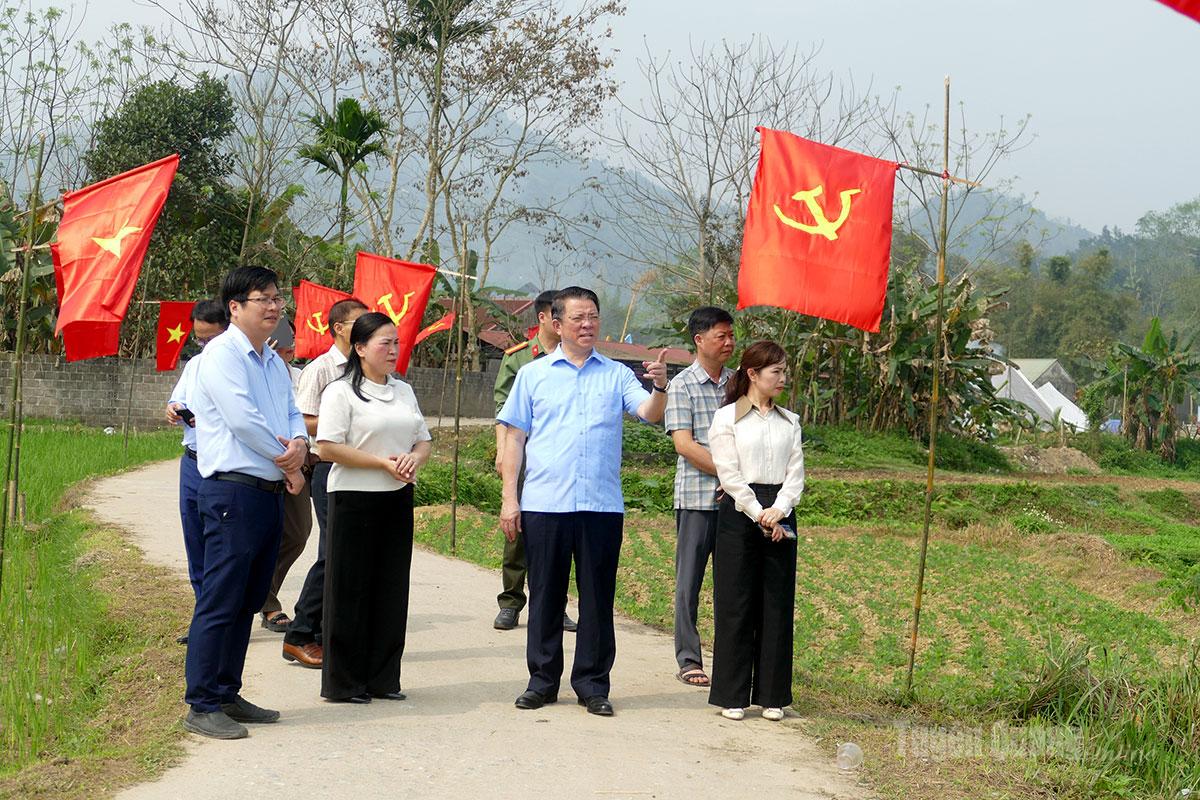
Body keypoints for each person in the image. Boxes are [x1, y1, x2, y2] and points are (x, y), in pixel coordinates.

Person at [497, 286, 668, 717]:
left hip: (600, 506)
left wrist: (661, 388)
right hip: (544, 503)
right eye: (578, 318)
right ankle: (541, 681)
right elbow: (514, 438)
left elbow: (648, 413)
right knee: (546, 596)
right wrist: (509, 498)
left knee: (596, 598)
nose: (587, 324)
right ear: (557, 324)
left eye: (593, 316)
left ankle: (592, 684)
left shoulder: (615, 374)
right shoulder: (532, 375)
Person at [183, 266, 308, 740]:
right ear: (235, 307)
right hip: (232, 490)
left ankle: (227, 692)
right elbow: (243, 420)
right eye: (264, 299)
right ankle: (201, 702)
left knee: (248, 598)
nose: (275, 307)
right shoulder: (221, 357)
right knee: (221, 597)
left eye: (278, 298)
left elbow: (292, 411)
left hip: (266, 493)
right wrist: (291, 463)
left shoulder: (273, 361)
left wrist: (298, 441)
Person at [316, 312, 432, 703]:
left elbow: (423, 438)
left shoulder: (404, 391)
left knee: (391, 588)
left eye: (397, 343)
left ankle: (383, 678)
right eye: (385, 343)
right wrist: (382, 463)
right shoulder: (341, 392)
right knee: (349, 590)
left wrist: (415, 459)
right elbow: (327, 447)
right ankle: (344, 682)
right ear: (360, 348)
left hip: (397, 497)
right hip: (353, 497)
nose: (394, 350)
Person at [706, 340, 804, 722]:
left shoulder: (790, 421)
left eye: (784, 371)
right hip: (739, 510)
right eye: (775, 372)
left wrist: (780, 510)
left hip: (780, 509)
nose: (782, 378)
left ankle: (772, 695)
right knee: (735, 602)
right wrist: (760, 513)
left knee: (776, 603)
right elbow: (728, 473)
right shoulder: (726, 418)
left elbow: (795, 474)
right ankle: (732, 694)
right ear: (752, 374)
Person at [283, 297, 369, 669]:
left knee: (352, 552)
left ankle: (328, 631)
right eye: (359, 322)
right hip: (327, 467)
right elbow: (303, 421)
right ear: (338, 327)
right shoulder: (321, 369)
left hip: (363, 470)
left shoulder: (365, 368)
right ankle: (301, 633)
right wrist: (348, 419)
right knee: (332, 550)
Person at [491, 289, 575, 634]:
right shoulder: (519, 359)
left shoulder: (578, 359)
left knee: (561, 535)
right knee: (517, 531)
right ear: (544, 318)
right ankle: (511, 601)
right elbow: (503, 412)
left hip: (560, 461)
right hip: (524, 456)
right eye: (560, 316)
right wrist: (501, 452)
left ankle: (557, 604)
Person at [664, 307, 735, 687]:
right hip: (696, 498)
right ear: (699, 339)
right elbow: (684, 444)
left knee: (732, 583)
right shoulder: (683, 385)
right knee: (688, 582)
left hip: (736, 501)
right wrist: (731, 474)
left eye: (731, 335)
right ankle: (689, 658)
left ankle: (730, 660)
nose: (729, 342)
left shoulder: (739, 383)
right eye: (721, 336)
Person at [164, 299, 229, 645]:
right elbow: (176, 401)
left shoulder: (240, 367)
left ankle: (225, 619)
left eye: (211, 339)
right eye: (199, 340)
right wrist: (175, 410)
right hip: (192, 461)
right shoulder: (195, 365)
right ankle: (203, 620)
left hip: (223, 466)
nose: (204, 347)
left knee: (221, 543)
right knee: (195, 542)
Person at [259, 316, 315, 633]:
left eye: (288, 351)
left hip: (298, 465)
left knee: (297, 533)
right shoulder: (252, 372)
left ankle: (261, 595)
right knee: (255, 537)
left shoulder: (302, 377)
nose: (284, 356)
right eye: (278, 350)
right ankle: (265, 605)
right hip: (259, 464)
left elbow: (302, 417)